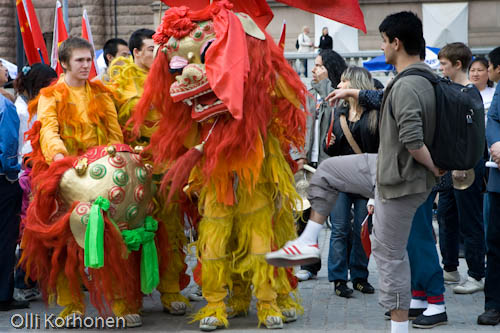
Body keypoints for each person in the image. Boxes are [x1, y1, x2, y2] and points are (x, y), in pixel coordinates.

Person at [133, 3, 307, 330]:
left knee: (260, 233)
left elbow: (284, 98)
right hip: (215, 172)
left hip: (255, 165)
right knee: (214, 235)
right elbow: (180, 131)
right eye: (180, 64)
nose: (190, 72)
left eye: (208, 56)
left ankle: (268, 301)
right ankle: (217, 302)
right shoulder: (187, 95)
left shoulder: (257, 75)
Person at [267, 11, 443, 333]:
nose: (382, 46)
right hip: (384, 167)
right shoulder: (417, 79)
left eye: (383, 41)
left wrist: (435, 169)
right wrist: (354, 93)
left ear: (396, 42)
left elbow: (413, 139)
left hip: (398, 182)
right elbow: (382, 98)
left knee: (389, 257)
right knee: (327, 172)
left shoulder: (407, 86)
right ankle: (308, 239)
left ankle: (400, 328)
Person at [20, 37, 144, 328]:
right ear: (64, 63)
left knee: (116, 238)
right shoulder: (52, 95)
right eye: (79, 60)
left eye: (89, 60)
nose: (86, 65)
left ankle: (120, 303)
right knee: (67, 245)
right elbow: (48, 131)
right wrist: (63, 162)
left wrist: (118, 165)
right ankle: (72, 306)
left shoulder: (101, 93)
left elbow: (115, 133)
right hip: (67, 176)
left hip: (103, 176)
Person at [106, 27, 191, 315]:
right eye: (152, 49)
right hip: (135, 169)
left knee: (171, 232)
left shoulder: (170, 75)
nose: (158, 55)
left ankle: (170, 290)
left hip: (168, 167)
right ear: (136, 53)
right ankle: (128, 299)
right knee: (131, 234)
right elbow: (134, 113)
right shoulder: (124, 80)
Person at [324, 66, 378, 298]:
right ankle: (338, 279)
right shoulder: (339, 112)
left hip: (366, 180)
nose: (339, 86)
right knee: (339, 229)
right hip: (340, 180)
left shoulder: (375, 113)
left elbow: (381, 150)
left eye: (343, 82)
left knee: (361, 230)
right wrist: (331, 143)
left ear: (355, 83)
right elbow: (330, 149)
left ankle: (359, 277)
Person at [437, 42, 486, 295]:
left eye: (444, 64)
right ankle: (450, 267)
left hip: (466, 166)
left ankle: (477, 273)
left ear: (457, 64)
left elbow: (472, 136)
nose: (440, 68)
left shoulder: (468, 94)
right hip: (450, 166)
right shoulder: (451, 90)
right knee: (446, 216)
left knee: (470, 220)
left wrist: (462, 164)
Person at [295, 49, 347, 282]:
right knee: (304, 216)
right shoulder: (307, 94)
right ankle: (308, 265)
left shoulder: (340, 92)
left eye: (319, 66)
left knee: (339, 224)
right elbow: (298, 127)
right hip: (308, 164)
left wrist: (327, 85)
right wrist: (299, 154)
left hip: (332, 164)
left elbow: (335, 110)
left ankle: (340, 273)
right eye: (314, 66)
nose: (314, 70)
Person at [12, 64, 58, 303]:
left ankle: (42, 278)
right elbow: (22, 148)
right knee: (33, 230)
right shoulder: (22, 111)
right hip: (31, 173)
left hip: (46, 170)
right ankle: (23, 280)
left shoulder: (44, 107)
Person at [477, 45, 500, 326]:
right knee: (494, 244)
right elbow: (493, 119)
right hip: (498, 181)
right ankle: (493, 303)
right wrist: (495, 143)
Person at [0, 91, 29, 311]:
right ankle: (2, 294)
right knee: (5, 239)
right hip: (3, 181)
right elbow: (9, 147)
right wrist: (12, 173)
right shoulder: (4, 106)